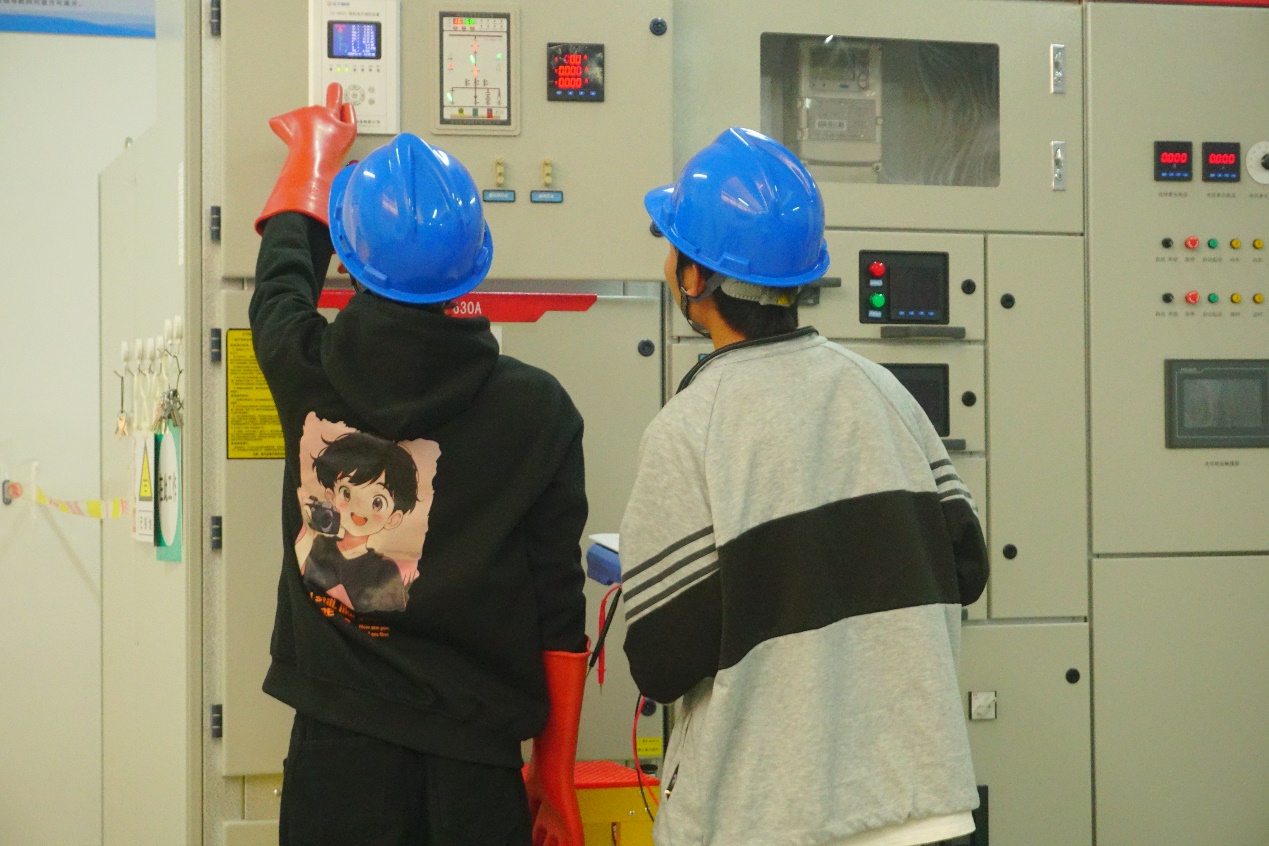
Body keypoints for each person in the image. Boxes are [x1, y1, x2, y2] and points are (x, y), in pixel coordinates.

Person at [619, 127, 990, 846]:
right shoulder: (884, 392)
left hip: (769, 820)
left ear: (693, 279)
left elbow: (662, 662)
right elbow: (967, 567)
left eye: (674, 246)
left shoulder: (690, 428)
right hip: (923, 811)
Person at [251, 83, 590, 846]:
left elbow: (278, 285)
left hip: (337, 752)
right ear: (472, 267)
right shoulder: (537, 409)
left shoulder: (303, 365)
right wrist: (556, 772)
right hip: (478, 765)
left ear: (351, 260)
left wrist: (311, 155)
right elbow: (557, 600)